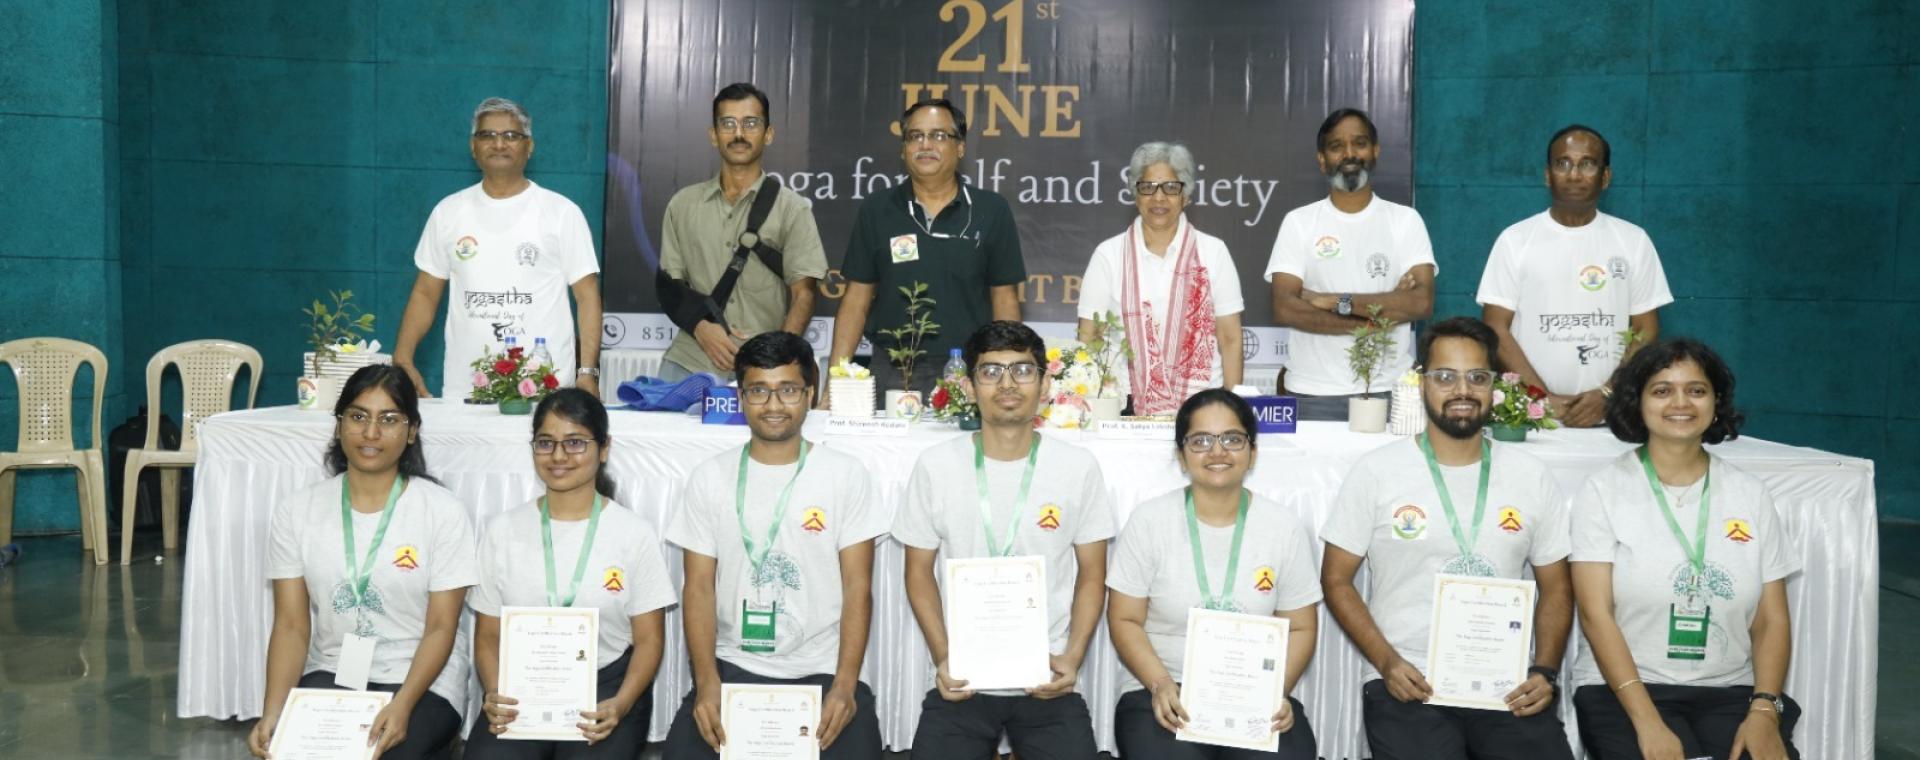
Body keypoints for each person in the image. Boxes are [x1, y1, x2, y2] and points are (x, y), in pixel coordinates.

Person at [1320, 317, 1576, 760]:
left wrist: (1545, 671)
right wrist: (1387, 663)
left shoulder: (1531, 476)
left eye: (1476, 377)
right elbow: (1336, 580)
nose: (1462, 390)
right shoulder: (1376, 472)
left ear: (1493, 385)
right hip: (1410, 681)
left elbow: (1557, 587)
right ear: (1421, 384)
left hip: (1507, 684)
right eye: (1445, 376)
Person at [1570, 339, 1801, 760]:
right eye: (1662, 390)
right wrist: (1647, 723)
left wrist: (1765, 709)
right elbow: (1594, 615)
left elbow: (1771, 619)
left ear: (1716, 402)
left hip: (1731, 688)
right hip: (1626, 690)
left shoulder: (1749, 494)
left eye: (1696, 390)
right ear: (1636, 402)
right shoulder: (1603, 491)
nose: (1681, 402)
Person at [892, 320, 1114, 760]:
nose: (1008, 384)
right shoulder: (936, 465)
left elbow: (1093, 575)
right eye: (991, 371)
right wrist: (944, 657)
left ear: (1044, 384)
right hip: (965, 682)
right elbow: (917, 573)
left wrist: (1070, 658)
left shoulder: (1078, 467)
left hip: (1046, 679)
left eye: (1023, 370)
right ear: (970, 387)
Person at [661, 331, 887, 759]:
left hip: (821, 671)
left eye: (787, 390)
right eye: (758, 391)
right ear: (741, 396)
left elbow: (858, 588)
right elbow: (698, 589)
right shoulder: (710, 477)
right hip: (732, 668)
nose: (773, 405)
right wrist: (707, 685)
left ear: (809, 393)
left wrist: (844, 686)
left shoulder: (845, 475)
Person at [249, 365, 477, 759]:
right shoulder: (298, 510)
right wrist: (274, 711)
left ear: (411, 431)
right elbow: (290, 626)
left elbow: (442, 627)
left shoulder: (441, 511)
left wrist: (403, 705)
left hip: (421, 679)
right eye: (358, 417)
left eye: (389, 420)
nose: (371, 433)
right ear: (339, 426)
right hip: (336, 670)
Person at [1106, 389, 1321, 759]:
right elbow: (1124, 618)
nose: (1217, 452)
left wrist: (1275, 691)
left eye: (1232, 439)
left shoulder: (1282, 526)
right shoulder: (1150, 521)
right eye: (1201, 440)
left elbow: (1302, 626)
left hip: (1253, 694)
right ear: (1181, 454)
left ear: (1252, 452)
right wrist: (1158, 684)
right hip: (1165, 688)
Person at [465, 389, 675, 757]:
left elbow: (649, 640)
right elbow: (487, 636)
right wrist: (495, 691)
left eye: (575, 443)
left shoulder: (633, 534)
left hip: (605, 688)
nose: (559, 456)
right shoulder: (502, 530)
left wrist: (622, 704)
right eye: (546, 443)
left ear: (604, 448)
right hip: (521, 688)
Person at [394, 97, 604, 400]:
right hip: (466, 388)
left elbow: (587, 296)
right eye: (487, 135)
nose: (499, 144)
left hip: (546, 390)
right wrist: (402, 357)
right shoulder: (448, 212)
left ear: (529, 146)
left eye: (511, 136)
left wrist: (586, 372)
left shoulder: (561, 212)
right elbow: (425, 292)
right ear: (473, 146)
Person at [1477, 125, 1672, 428]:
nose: (1574, 174)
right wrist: (1541, 398)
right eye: (1563, 163)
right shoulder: (1515, 240)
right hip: (1531, 418)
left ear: (1605, 177)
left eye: (1587, 164)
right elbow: (1495, 328)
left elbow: (1646, 329)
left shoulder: (1633, 241)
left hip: (1611, 416)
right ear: (1547, 175)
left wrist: (1608, 393)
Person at [832, 99, 1025, 404]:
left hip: (968, 371)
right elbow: (856, 299)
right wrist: (837, 379)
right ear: (903, 148)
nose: (925, 145)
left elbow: (1005, 298)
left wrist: (1007, 371)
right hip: (892, 370)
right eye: (915, 136)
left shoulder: (992, 210)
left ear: (960, 147)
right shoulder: (877, 209)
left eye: (938, 135)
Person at [1264, 108, 1435, 420]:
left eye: (1359, 143)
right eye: (1336, 146)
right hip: (1312, 393)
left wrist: (1333, 301)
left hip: (1390, 392)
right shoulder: (1299, 223)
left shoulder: (1405, 221)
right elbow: (1285, 307)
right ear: (1321, 159)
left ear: (1375, 152)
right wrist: (1375, 321)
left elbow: (1420, 302)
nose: (1349, 153)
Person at [656, 82, 829, 379]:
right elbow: (670, 287)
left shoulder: (793, 209)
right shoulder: (682, 204)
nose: (739, 134)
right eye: (728, 123)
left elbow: (804, 295)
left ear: (768, 133)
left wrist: (776, 358)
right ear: (713, 135)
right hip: (689, 361)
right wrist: (701, 327)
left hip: (762, 369)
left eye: (751, 123)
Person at [1078, 142, 1245, 415]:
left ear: (1186, 196)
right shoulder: (1108, 255)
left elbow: (1229, 337)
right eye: (1148, 187)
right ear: (1135, 194)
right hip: (1124, 404)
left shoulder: (1213, 252)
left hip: (1201, 403)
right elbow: (1089, 337)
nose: (1159, 198)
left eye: (1170, 187)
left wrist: (1234, 408)